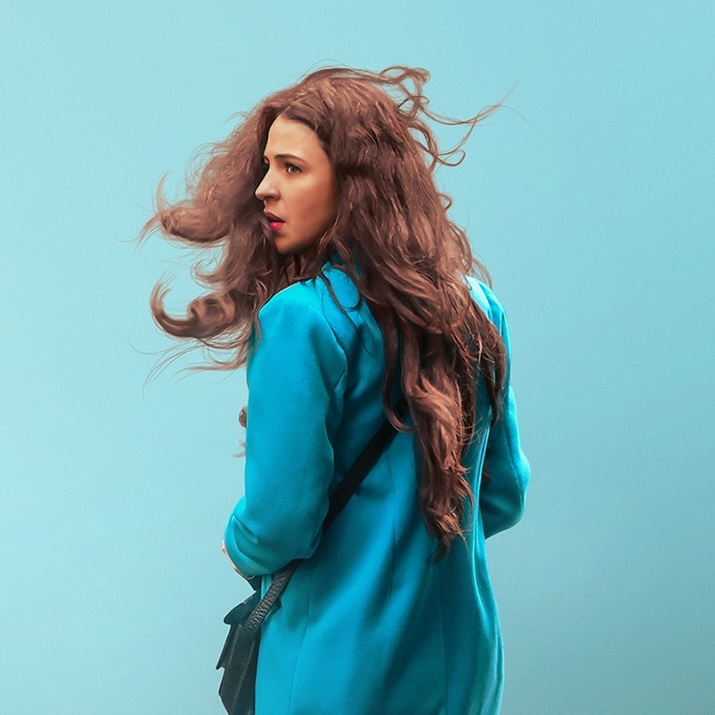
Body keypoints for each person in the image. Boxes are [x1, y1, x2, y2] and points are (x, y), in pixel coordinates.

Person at [143, 66, 530, 715]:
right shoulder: (478, 307)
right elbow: (502, 495)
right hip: (466, 667)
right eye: (267, 166)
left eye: (291, 168)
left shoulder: (300, 320)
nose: (264, 187)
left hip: (336, 670)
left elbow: (279, 524)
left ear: (353, 185)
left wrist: (237, 543)